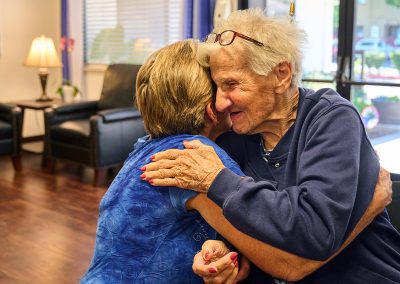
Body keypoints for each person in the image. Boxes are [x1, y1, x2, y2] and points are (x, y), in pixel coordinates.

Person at [141, 9, 400, 283]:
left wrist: (214, 179)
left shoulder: (332, 118)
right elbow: (251, 229)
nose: (220, 103)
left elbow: (314, 231)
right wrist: (224, 253)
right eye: (217, 87)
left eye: (231, 84)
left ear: (281, 74)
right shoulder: (237, 138)